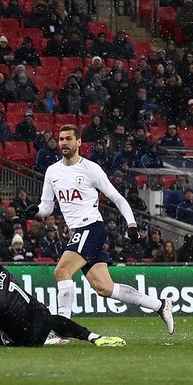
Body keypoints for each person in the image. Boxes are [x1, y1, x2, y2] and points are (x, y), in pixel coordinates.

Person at [24, 124, 175, 339]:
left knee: (62, 272)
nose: (64, 143)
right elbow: (47, 206)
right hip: (78, 231)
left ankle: (61, 333)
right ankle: (160, 304)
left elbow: (117, 198)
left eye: (68, 139)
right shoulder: (52, 171)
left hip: (91, 227)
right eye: (61, 139)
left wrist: (131, 224)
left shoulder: (91, 168)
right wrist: (36, 211)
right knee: (104, 288)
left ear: (79, 142)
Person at [0, 247, 126, 348]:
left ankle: (44, 337)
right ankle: (95, 338)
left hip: (26, 339)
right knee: (52, 319)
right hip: (41, 316)